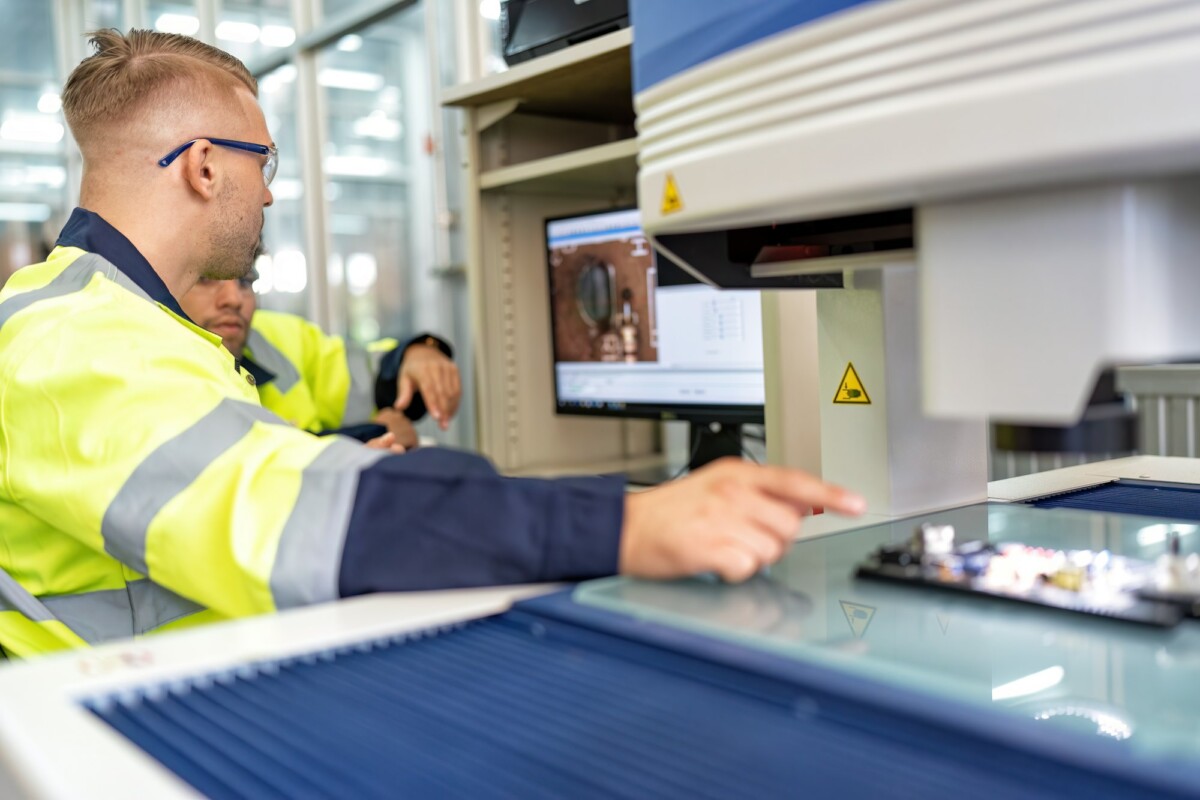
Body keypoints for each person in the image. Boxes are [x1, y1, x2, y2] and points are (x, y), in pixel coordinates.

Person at [0, 29, 864, 658]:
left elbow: (256, 455)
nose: (269, 195)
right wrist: (630, 521)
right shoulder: (71, 343)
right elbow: (308, 518)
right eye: (264, 162)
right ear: (203, 166)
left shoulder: (128, 319)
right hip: (113, 725)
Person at [179, 269, 461, 450]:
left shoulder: (278, 336)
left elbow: (368, 375)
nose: (234, 298)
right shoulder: (153, 366)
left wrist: (415, 353)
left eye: (245, 281)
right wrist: (368, 437)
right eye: (205, 277)